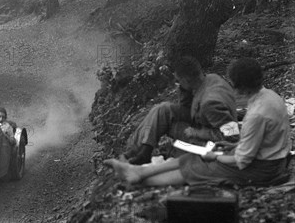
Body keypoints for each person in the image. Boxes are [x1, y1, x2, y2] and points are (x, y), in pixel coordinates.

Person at [105, 58, 291, 187]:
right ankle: (139, 168)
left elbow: (238, 150)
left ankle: (137, 178)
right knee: (165, 114)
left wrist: (214, 154)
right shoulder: (271, 96)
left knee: (196, 168)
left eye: (179, 81)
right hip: (269, 158)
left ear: (238, 86)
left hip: (264, 170)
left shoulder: (251, 113)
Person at [124, 56, 239, 165]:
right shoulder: (210, 79)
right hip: (204, 122)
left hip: (212, 146)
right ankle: (143, 150)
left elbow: (232, 135)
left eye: (179, 81)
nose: (178, 84)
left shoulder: (210, 103)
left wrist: (197, 133)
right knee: (163, 109)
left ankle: (139, 151)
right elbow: (190, 108)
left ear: (187, 80)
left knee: (171, 126)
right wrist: (184, 90)